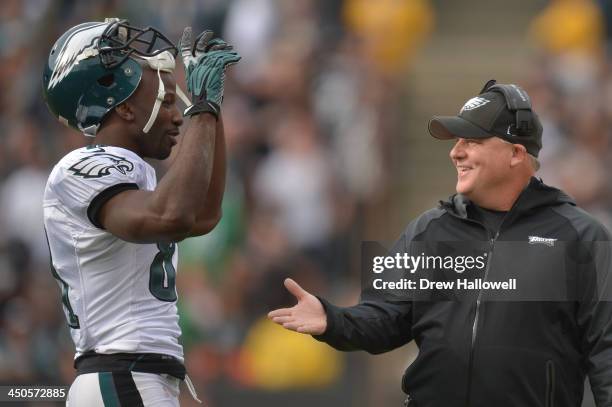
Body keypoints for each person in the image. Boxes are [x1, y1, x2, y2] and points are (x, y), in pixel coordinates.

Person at [269, 80, 612, 406]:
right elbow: (387, 315)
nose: (455, 153)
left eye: (471, 141)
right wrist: (333, 319)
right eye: (456, 141)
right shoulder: (428, 231)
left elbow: (606, 350)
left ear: (516, 153)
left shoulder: (580, 238)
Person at [42, 18, 240, 406]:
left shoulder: (135, 174)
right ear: (125, 107)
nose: (178, 115)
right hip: (122, 374)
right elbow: (172, 216)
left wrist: (211, 107)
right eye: (167, 101)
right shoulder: (82, 167)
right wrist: (200, 108)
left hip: (133, 377)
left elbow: (204, 213)